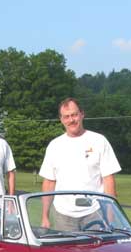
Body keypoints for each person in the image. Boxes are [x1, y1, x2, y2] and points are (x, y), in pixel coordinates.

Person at [39, 98, 121, 230]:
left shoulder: (99, 141)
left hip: (95, 213)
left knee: (96, 251)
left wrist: (110, 216)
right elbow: (49, 182)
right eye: (66, 116)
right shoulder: (54, 146)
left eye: (74, 115)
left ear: (82, 114)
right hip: (63, 215)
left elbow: (108, 180)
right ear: (61, 119)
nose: (71, 120)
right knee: (66, 251)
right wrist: (44, 216)